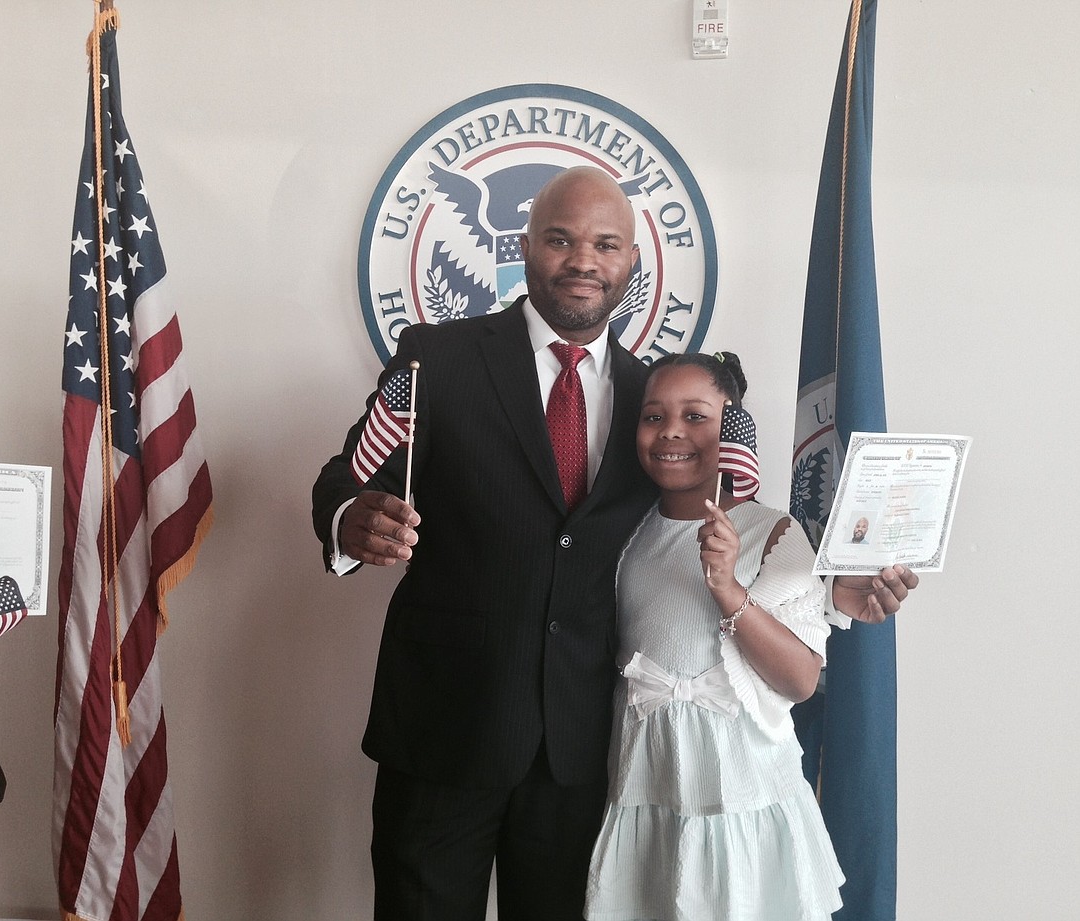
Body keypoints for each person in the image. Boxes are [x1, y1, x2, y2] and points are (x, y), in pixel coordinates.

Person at [312, 167, 916, 921]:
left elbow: (711, 529)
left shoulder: (652, 398)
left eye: (605, 244)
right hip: (445, 733)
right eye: (560, 240)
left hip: (585, 753)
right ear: (525, 246)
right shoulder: (440, 357)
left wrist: (832, 589)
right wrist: (350, 519)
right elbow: (347, 474)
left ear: (632, 262)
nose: (582, 261)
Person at [584, 351, 897, 921]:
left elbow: (800, 679)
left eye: (695, 415)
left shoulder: (773, 532)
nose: (671, 431)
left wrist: (728, 589)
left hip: (742, 794)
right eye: (653, 416)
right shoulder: (626, 535)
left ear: (731, 428)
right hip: (648, 790)